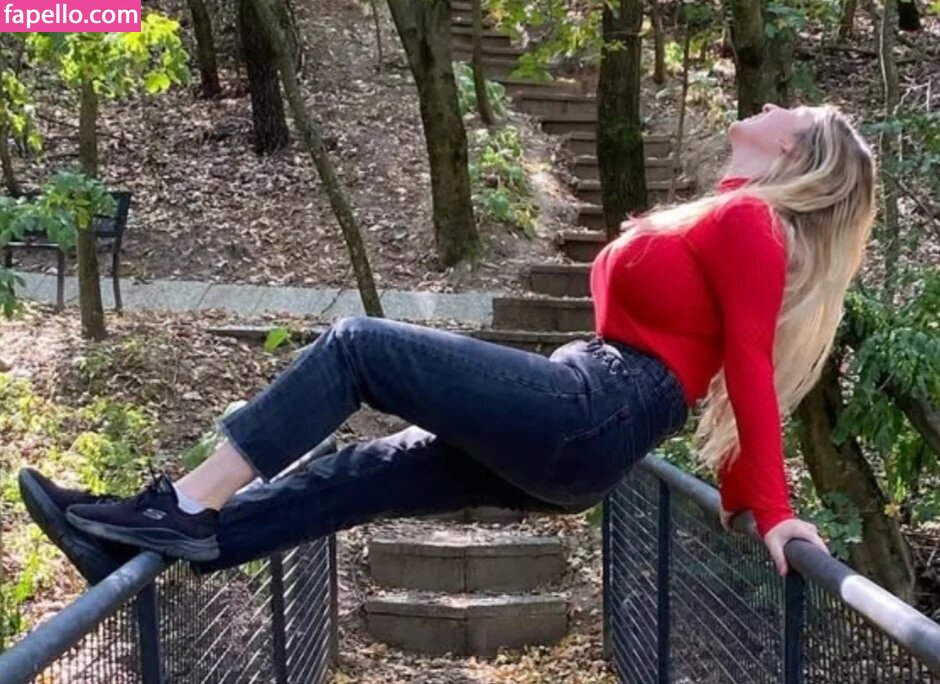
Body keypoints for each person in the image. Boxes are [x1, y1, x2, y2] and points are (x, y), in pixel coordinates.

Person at [20, 103, 873, 585]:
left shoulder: (751, 222)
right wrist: (746, 494)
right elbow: (732, 362)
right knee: (362, 474)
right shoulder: (735, 221)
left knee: (358, 348)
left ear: (795, 147)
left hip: (598, 408)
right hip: (591, 417)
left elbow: (748, 364)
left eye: (788, 112)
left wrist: (772, 507)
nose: (769, 106)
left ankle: (183, 506)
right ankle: (134, 547)